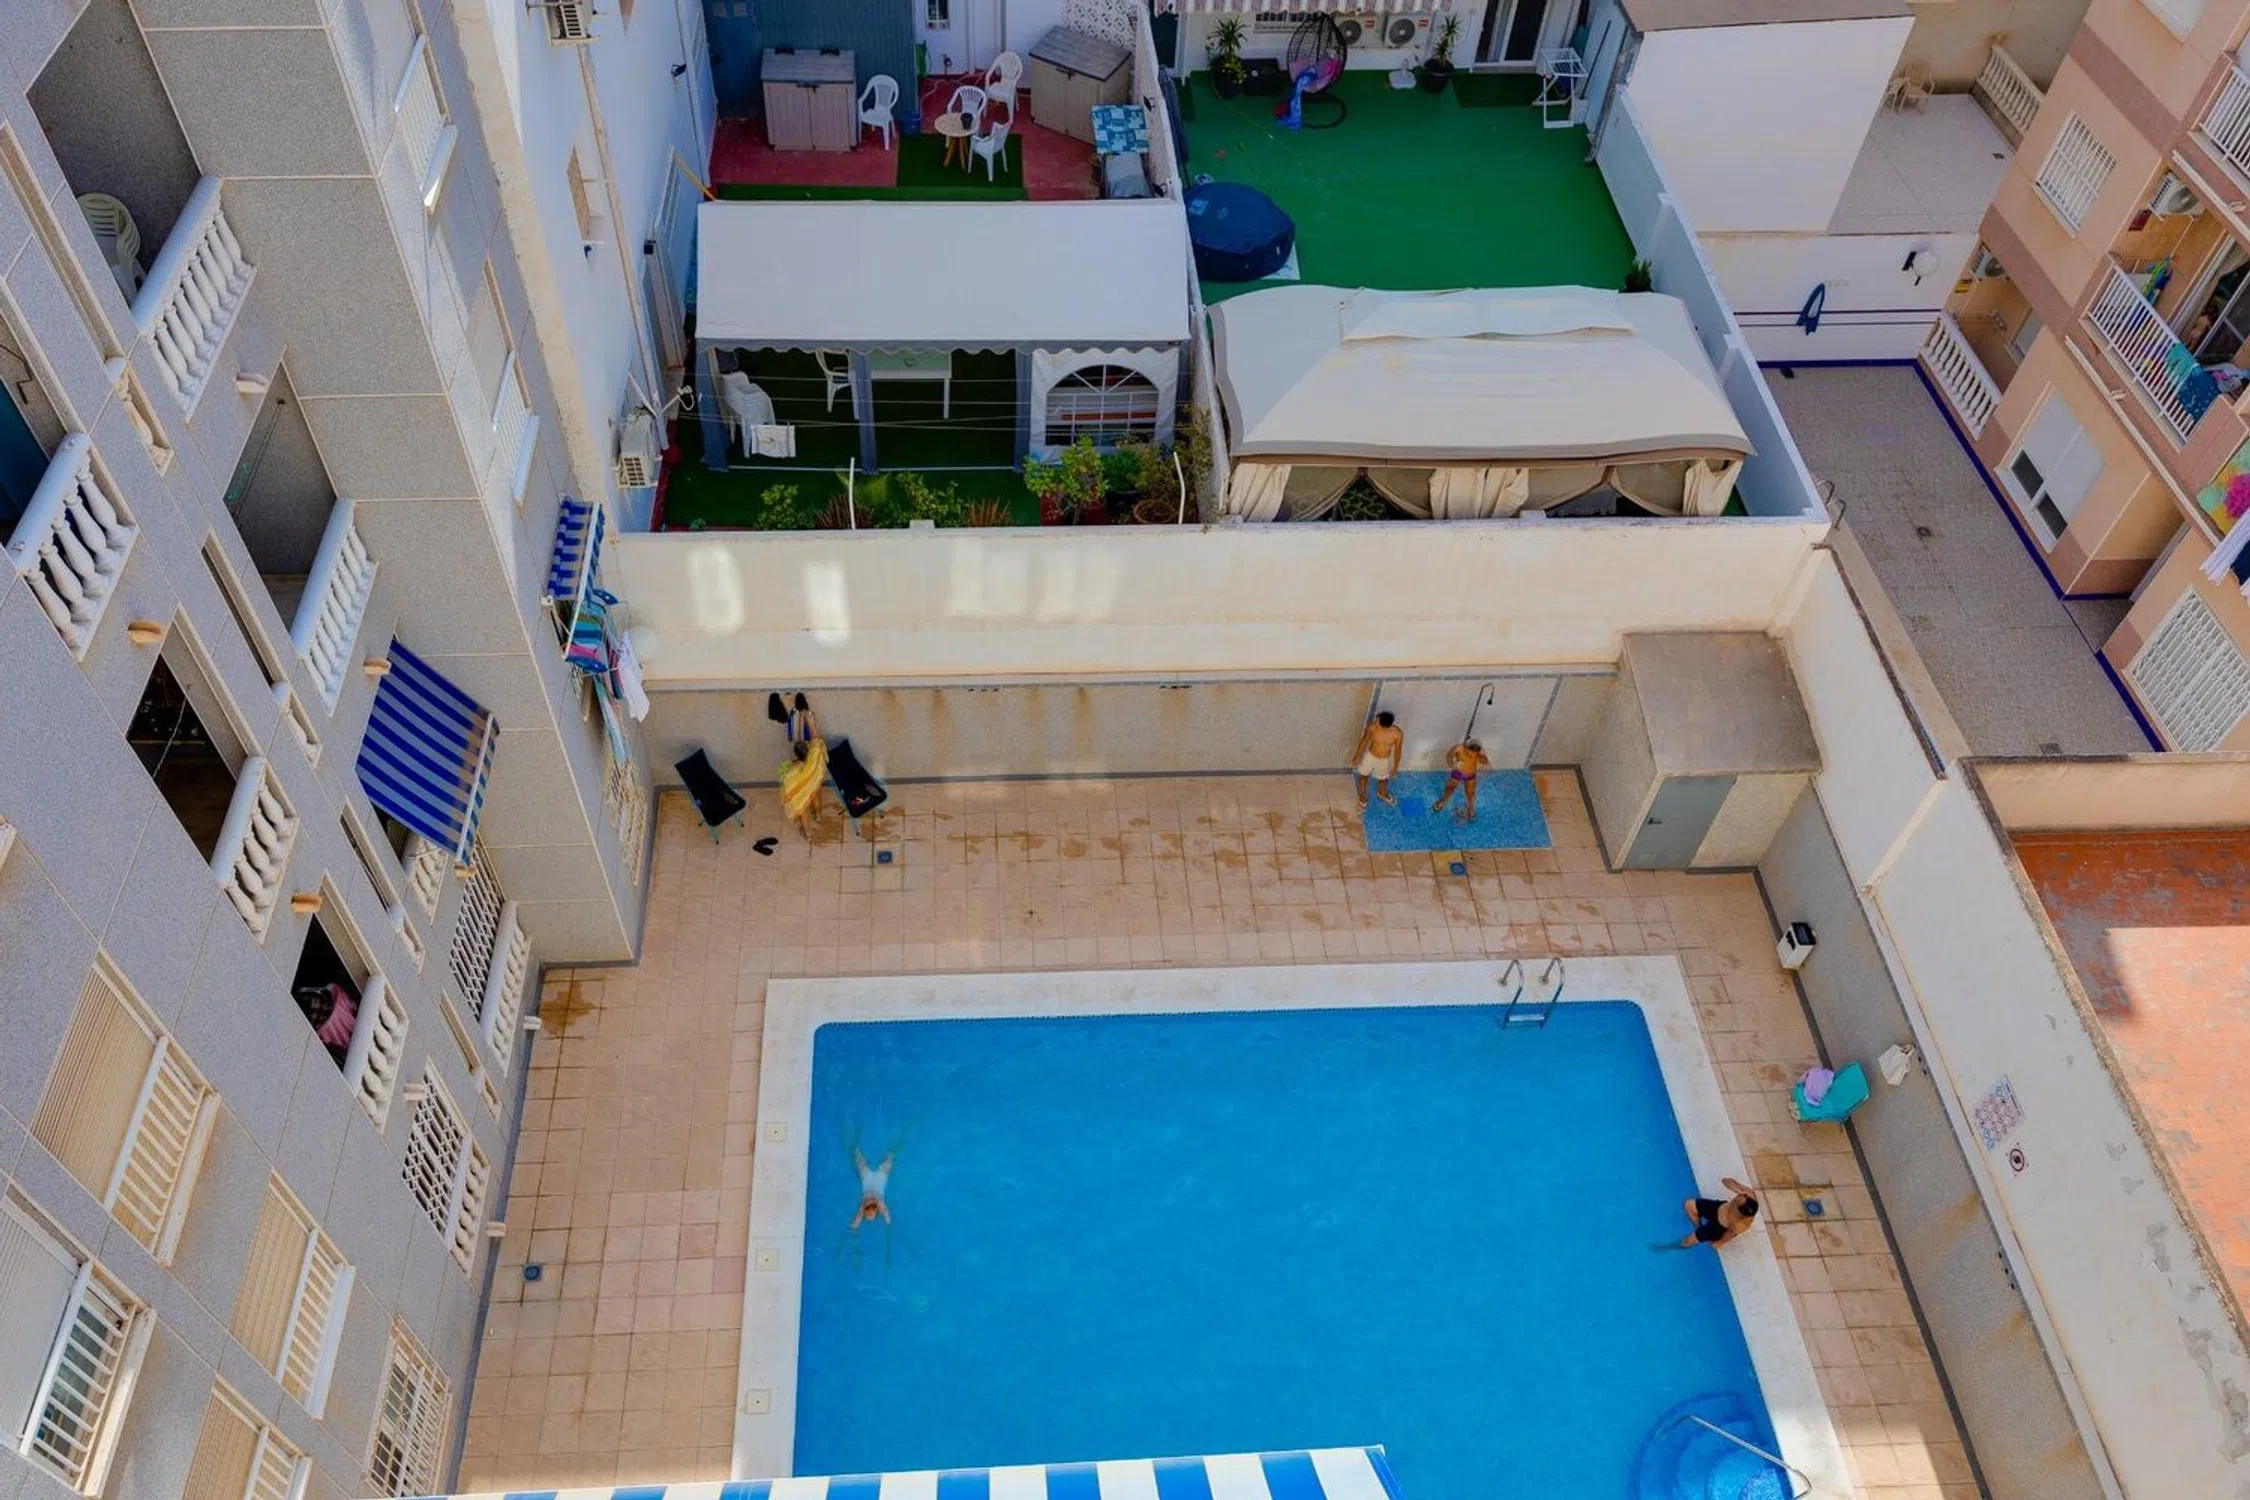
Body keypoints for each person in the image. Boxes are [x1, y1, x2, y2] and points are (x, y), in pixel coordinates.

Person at [1679, 1177, 1760, 1249]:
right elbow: (1725, 1180)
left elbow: (1730, 1234)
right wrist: (1736, 1190)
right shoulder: (1748, 1194)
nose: (1740, 1197)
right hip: (1719, 1208)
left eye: (1740, 1200)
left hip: (1719, 1227)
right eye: (1743, 1197)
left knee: (1687, 1241)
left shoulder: (1741, 1224)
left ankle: (1703, 1232)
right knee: (1688, 1205)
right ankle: (1699, 1226)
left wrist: (1720, 1243)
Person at [1431, 737, 1491, 824]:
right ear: (1466, 748)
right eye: (1470, 751)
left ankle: (1471, 808)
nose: (1472, 754)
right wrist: (1453, 765)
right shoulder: (1458, 748)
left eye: (1474, 752)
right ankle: (1443, 801)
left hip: (1470, 775)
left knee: (1470, 793)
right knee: (1450, 788)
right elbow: (1449, 756)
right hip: (1457, 773)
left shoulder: (1479, 753)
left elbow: (1485, 762)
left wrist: (1482, 755)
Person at [779, 737, 830, 840]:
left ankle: (807, 833)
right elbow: (818, 745)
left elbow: (784, 778)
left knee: (803, 812)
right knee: (815, 797)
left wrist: (787, 766)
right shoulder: (812, 762)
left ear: (796, 754)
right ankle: (818, 816)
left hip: (801, 795)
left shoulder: (792, 768)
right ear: (808, 752)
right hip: (812, 786)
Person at [1351, 711, 1404, 810]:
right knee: (1364, 775)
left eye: (1377, 721)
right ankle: (1362, 795)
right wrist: (1357, 756)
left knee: (1383, 778)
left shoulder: (1397, 734)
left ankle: (1382, 793)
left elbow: (1398, 751)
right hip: (1370, 756)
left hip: (1384, 759)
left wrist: (1395, 767)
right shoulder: (1372, 728)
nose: (1375, 722)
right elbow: (1364, 741)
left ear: (1385, 725)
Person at [850, 1144, 894, 1231]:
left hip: (867, 1180)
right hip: (880, 1180)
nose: (869, 1203)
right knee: (887, 1164)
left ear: (864, 1209)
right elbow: (886, 1214)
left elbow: (858, 1219)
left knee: (860, 1164)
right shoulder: (881, 1204)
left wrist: (854, 1227)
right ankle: (891, 1152)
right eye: (873, 1206)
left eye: (867, 1207)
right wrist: (888, 1222)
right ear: (878, 1208)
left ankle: (856, 1149)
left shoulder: (862, 1207)